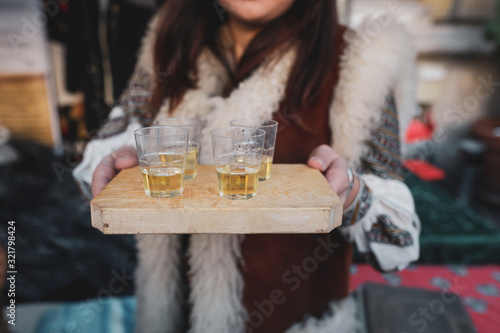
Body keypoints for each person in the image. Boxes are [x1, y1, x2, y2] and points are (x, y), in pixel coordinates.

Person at [73, 0, 420, 332]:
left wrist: (354, 194)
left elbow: (400, 239)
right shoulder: (170, 45)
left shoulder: (358, 61)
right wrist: (118, 166)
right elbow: (117, 134)